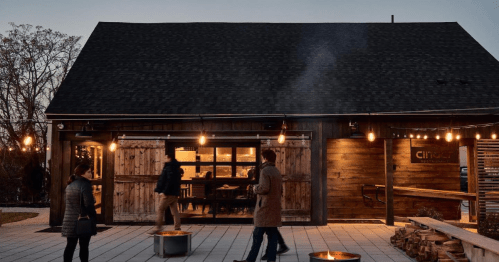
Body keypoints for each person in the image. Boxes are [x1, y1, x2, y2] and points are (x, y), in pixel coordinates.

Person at [234, 149, 283, 262]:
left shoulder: (265, 171)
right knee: (272, 236)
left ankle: (250, 260)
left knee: (257, 235)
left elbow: (264, 188)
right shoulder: (276, 171)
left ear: (265, 158)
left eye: (262, 157)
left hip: (264, 208)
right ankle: (271, 259)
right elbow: (280, 189)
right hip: (274, 207)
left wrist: (256, 188)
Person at [62, 164, 97, 262]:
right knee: (84, 246)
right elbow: (88, 204)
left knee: (70, 246)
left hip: (70, 220)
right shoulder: (85, 185)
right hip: (83, 220)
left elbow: (68, 202)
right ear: (82, 173)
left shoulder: (70, 184)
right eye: (89, 172)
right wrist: (93, 216)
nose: (91, 174)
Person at [149, 154, 182, 234]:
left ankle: (158, 228)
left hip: (168, 194)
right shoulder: (176, 168)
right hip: (174, 193)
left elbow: (168, 181)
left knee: (160, 209)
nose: (164, 158)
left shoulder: (169, 168)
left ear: (169, 158)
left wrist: (164, 191)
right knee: (174, 211)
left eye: (165, 157)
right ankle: (177, 227)